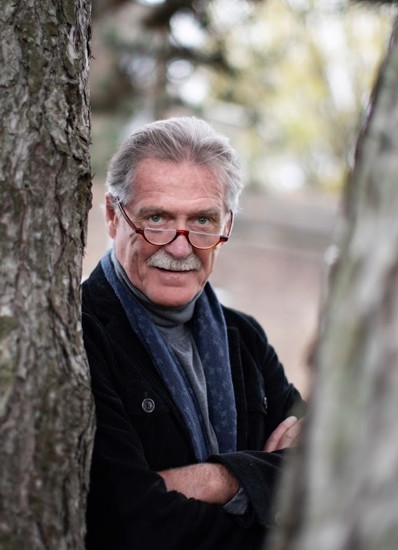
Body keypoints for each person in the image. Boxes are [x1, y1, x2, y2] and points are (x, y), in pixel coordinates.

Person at [81, 116, 305, 549]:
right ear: (112, 215)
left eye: (203, 220)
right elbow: (131, 521)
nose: (180, 246)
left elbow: (323, 474)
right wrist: (263, 490)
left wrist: (220, 478)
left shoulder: (246, 339)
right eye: (157, 218)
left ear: (227, 224)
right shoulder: (81, 334)